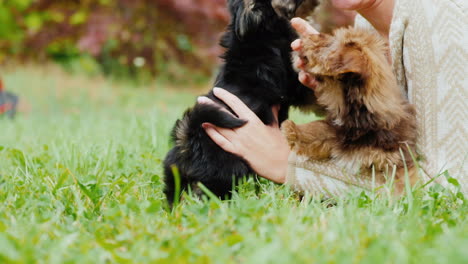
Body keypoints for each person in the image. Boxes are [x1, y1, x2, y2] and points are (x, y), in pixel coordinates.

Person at [198, 0, 468, 195]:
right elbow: (398, 132)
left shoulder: (443, 24)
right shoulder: (368, 20)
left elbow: (447, 187)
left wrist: (288, 165)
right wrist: (335, 90)